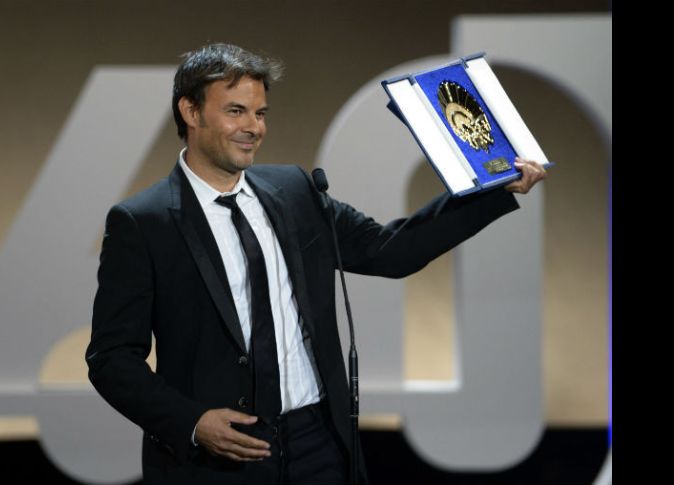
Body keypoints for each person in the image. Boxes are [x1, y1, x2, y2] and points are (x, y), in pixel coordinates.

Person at [85, 43, 546, 485]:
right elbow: (111, 358)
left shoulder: (293, 191)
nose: (254, 127)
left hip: (319, 443)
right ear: (190, 112)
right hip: (218, 457)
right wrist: (191, 422)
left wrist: (491, 190)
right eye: (236, 112)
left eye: (260, 113)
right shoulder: (141, 223)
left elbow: (390, 250)